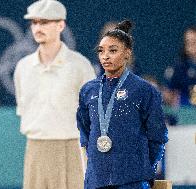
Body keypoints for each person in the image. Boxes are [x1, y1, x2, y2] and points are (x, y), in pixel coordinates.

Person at [76, 20, 168, 189]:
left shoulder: (144, 90)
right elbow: (85, 133)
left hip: (133, 182)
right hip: (97, 182)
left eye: (113, 50)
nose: (105, 56)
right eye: (101, 51)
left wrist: (142, 170)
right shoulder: (88, 91)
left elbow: (157, 137)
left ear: (127, 53)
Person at [14, 0, 96, 188]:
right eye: (34, 22)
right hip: (35, 148)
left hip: (70, 148)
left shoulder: (79, 66)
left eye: (44, 22)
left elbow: (93, 114)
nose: (37, 27)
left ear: (61, 25)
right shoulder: (23, 68)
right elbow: (23, 108)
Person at [164, 26, 196, 106]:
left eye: (194, 42)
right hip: (185, 113)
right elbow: (169, 94)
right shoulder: (179, 67)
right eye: (188, 42)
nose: (191, 46)